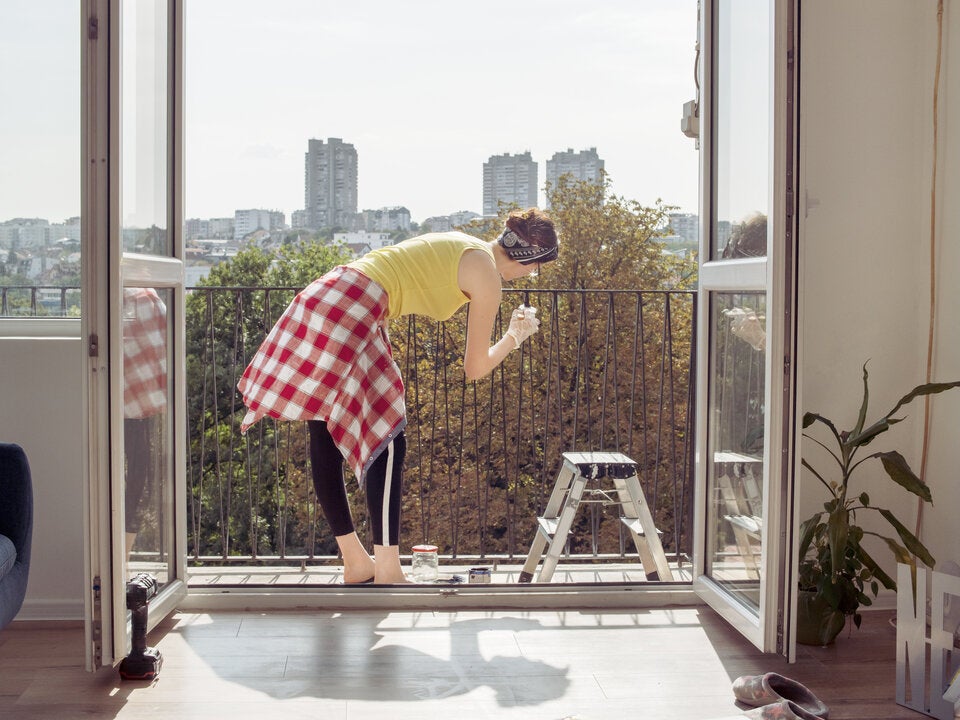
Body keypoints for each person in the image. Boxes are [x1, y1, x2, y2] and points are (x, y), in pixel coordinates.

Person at [237, 207, 559, 583]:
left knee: (325, 430)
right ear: (529, 257)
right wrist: (514, 337)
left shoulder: (466, 244)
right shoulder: (487, 275)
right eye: (537, 268)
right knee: (388, 438)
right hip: (354, 302)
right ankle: (388, 569)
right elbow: (475, 368)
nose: (532, 275)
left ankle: (357, 563)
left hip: (332, 293)